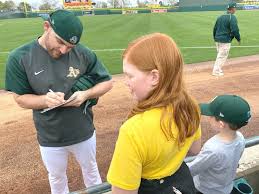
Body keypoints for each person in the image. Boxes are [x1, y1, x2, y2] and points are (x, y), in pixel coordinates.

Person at [5, 10, 113, 194]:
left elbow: (107, 82)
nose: (64, 50)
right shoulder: (20, 58)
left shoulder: (83, 53)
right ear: (46, 27)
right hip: (50, 137)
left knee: (92, 173)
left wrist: (86, 94)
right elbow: (20, 99)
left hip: (83, 132)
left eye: (70, 47)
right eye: (60, 42)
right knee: (56, 178)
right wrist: (45, 100)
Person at [107, 33, 202, 194]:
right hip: (181, 183)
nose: (126, 81)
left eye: (130, 75)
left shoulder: (133, 130)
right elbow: (195, 149)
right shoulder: (190, 106)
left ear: (154, 77)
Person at [187, 94, 251, 194]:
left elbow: (192, 169)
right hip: (225, 188)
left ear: (221, 124)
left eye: (211, 116)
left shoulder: (213, 148)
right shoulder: (240, 138)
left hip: (205, 190)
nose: (209, 118)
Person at [212, 2, 241, 76]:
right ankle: (216, 71)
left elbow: (215, 29)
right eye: (235, 8)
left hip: (217, 39)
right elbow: (235, 30)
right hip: (225, 40)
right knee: (222, 56)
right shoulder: (232, 17)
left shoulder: (220, 16)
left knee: (220, 55)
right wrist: (238, 39)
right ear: (232, 9)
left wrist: (215, 38)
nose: (235, 9)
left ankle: (218, 69)